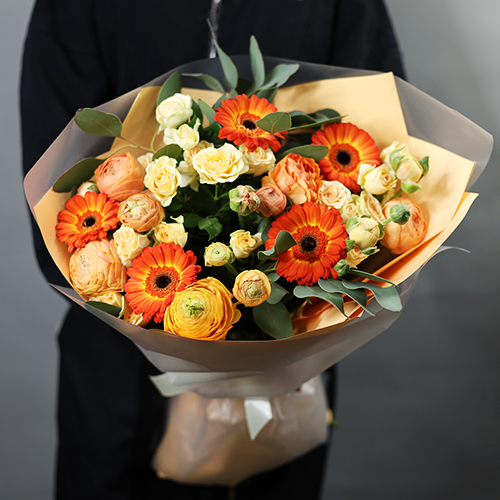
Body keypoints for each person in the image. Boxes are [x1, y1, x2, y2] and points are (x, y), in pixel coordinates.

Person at [21, 1, 405, 499]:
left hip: (288, 350)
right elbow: (53, 174)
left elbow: (379, 134)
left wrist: (280, 318)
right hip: (119, 361)